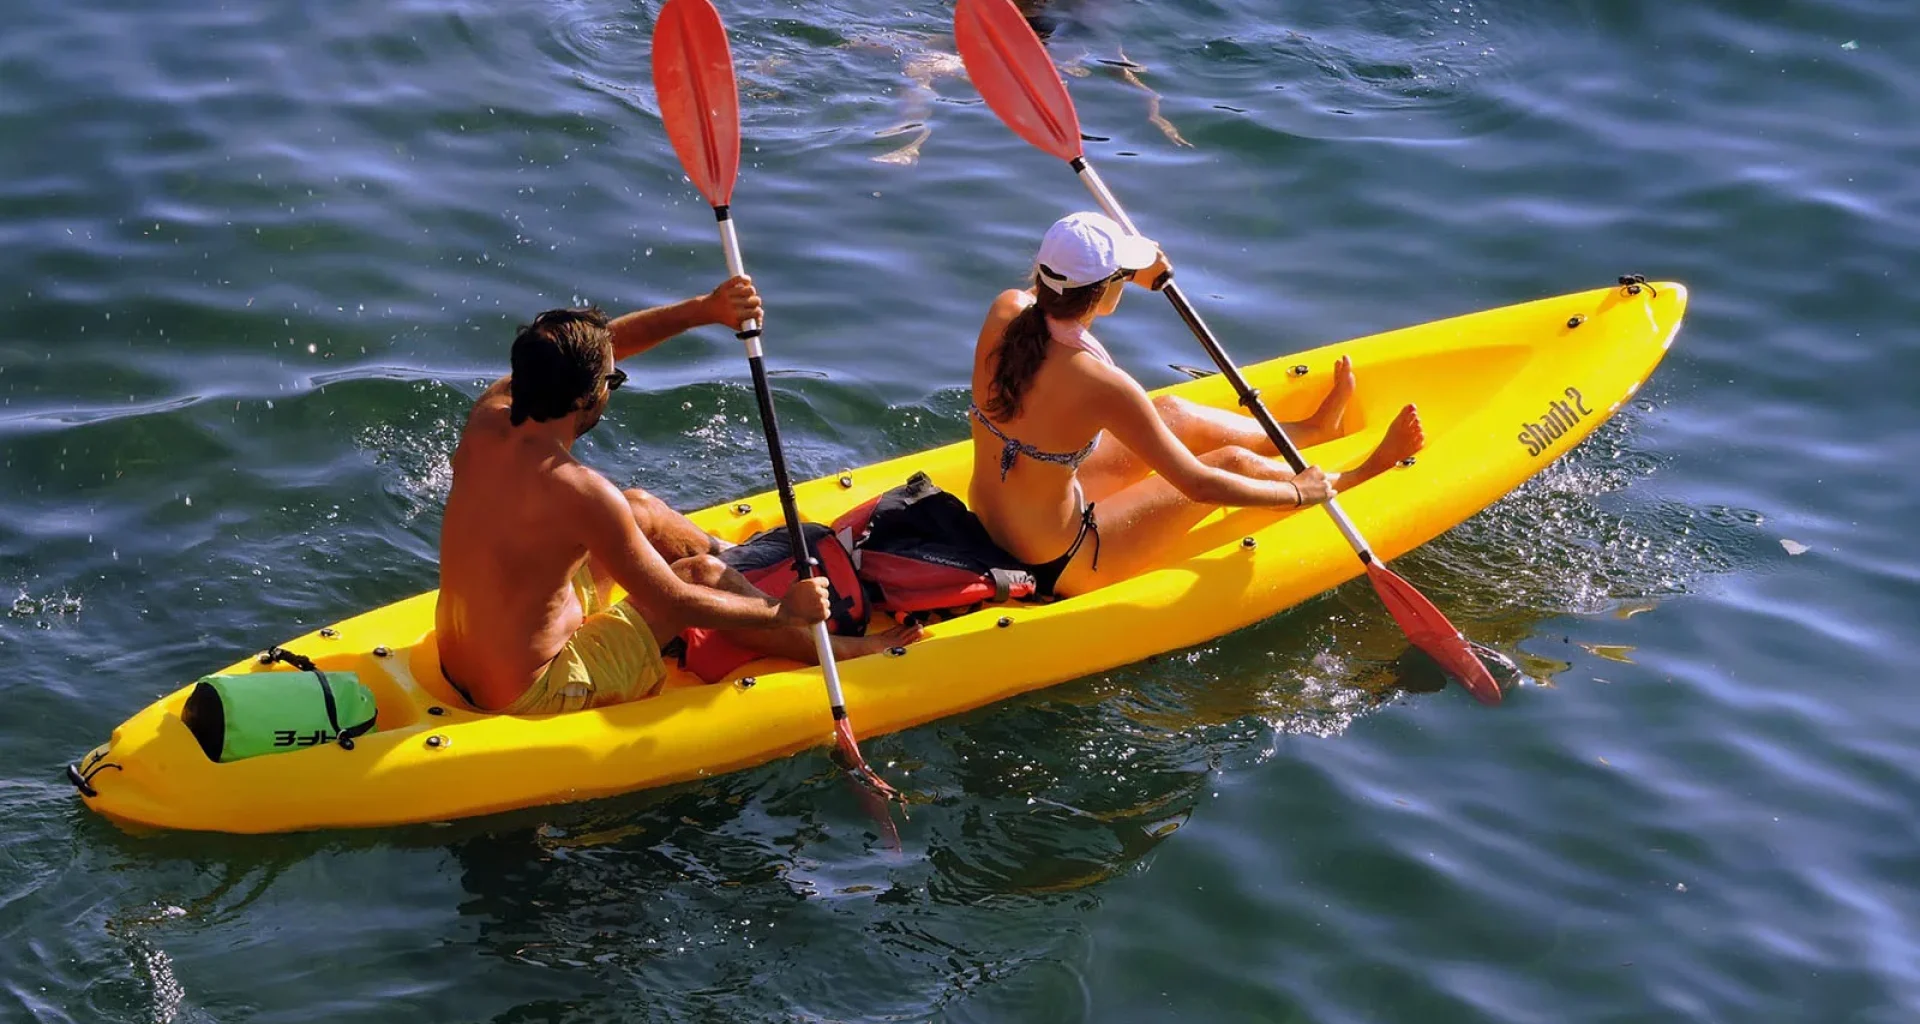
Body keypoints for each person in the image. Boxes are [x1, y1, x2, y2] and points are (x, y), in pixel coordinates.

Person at [436, 277, 918, 714]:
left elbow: (604, 349)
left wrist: (704, 309)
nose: (613, 384)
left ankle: (745, 566)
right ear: (586, 398)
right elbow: (677, 601)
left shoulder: (490, 416)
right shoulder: (582, 493)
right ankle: (834, 647)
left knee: (640, 507)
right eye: (612, 382)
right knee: (703, 575)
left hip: (461, 658)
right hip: (534, 688)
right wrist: (782, 611)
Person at [967, 211, 1426, 598]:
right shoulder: (1104, 385)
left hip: (992, 523)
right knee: (1230, 462)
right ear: (1105, 287)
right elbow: (1199, 485)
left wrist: (1126, 273)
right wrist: (1296, 492)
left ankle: (1311, 430)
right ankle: (1347, 481)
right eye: (1121, 276)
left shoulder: (1006, 309)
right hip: (1061, 561)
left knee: (1174, 413)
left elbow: (1057, 320)